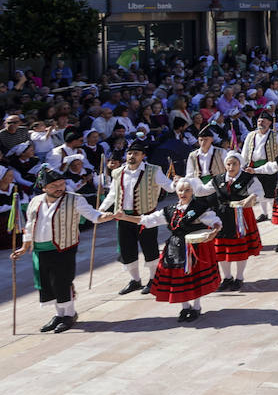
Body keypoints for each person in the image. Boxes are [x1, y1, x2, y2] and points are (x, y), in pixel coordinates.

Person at [12, 166, 113, 333]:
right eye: (54, 186)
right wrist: (25, 246)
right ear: (44, 187)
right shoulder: (35, 201)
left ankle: (69, 314)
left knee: (61, 280)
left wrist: (105, 216)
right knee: (46, 283)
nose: (59, 188)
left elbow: (92, 215)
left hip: (64, 246)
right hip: (40, 249)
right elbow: (29, 225)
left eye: (61, 184)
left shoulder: (75, 199)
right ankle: (59, 314)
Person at [116, 178, 222, 322]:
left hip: (195, 247)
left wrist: (215, 231)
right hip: (175, 247)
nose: (183, 193)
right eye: (180, 190)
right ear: (176, 192)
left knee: (194, 277)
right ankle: (185, 307)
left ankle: (196, 307)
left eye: (187, 190)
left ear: (193, 192)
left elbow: (214, 221)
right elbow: (148, 220)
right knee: (178, 277)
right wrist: (125, 217)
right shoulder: (170, 210)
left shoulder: (199, 207)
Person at [99, 139, 177, 294]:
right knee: (127, 250)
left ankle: (154, 279)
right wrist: (100, 210)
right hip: (123, 217)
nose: (131, 156)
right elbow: (113, 194)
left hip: (145, 217)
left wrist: (177, 183)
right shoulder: (118, 172)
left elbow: (169, 187)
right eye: (129, 153)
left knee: (150, 249)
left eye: (135, 153)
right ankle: (135, 280)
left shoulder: (154, 170)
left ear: (143, 156)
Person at [189, 151, 264, 291]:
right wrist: (189, 182)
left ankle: (239, 277)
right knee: (221, 248)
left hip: (241, 217)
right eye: (228, 164)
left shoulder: (248, 178)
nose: (231, 167)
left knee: (240, 248)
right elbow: (202, 191)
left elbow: (260, 192)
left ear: (239, 164)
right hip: (222, 216)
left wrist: (251, 197)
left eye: (234, 164)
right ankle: (227, 277)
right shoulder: (218, 179)